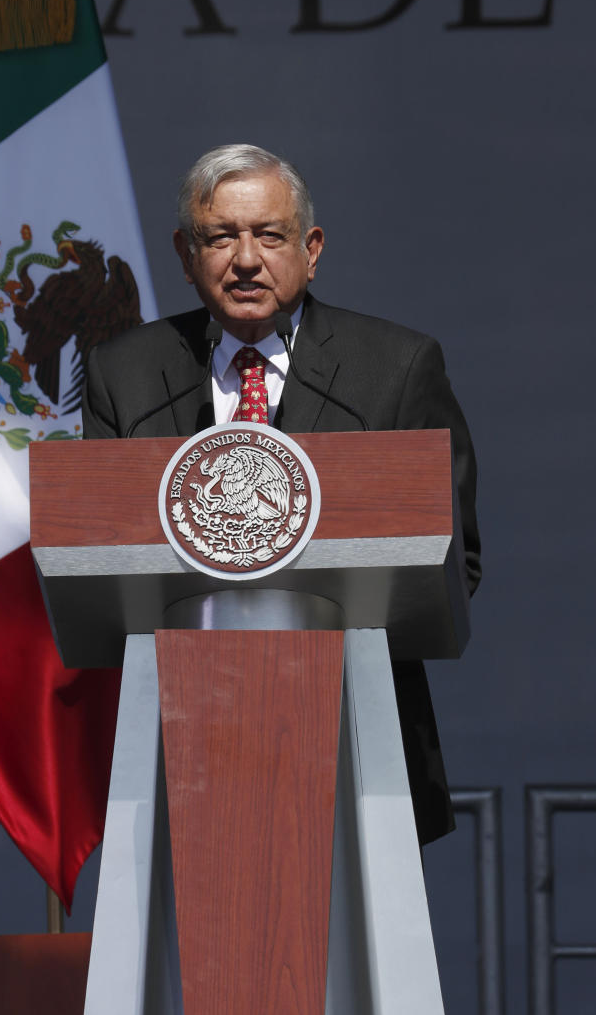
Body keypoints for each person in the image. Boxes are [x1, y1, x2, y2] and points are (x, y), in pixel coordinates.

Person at [83, 143, 480, 845]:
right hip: (181, 743)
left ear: (311, 247)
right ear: (185, 253)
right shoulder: (127, 375)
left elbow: (456, 557)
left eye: (269, 235)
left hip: (356, 731)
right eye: (220, 237)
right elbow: (96, 554)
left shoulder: (394, 366)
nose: (245, 259)